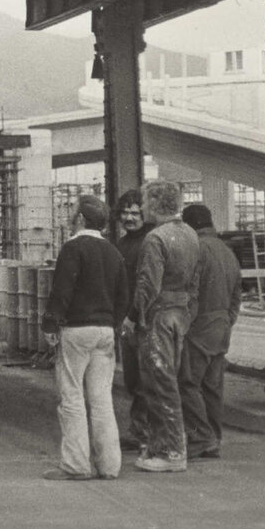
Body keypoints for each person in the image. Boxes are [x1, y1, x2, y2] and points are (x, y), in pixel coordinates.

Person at [39, 195, 129, 480]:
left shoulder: (73, 248)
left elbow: (62, 291)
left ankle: (77, 465)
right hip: (105, 332)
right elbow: (124, 297)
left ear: (80, 219)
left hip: (77, 331)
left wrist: (51, 325)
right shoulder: (114, 252)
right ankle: (110, 466)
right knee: (102, 399)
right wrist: (112, 324)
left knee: (72, 397)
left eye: (73, 213)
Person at [129, 180, 200, 472]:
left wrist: (135, 316)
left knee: (159, 384)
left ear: (156, 204)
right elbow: (195, 282)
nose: (142, 207)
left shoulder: (156, 239)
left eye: (145, 202)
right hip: (180, 314)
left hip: (157, 316)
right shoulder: (190, 235)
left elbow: (148, 284)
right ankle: (161, 448)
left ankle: (171, 452)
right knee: (167, 381)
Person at [179, 203, 241, 460]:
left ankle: (200, 436)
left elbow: (190, 294)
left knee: (187, 384)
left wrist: (185, 326)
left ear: (190, 226)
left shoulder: (196, 250)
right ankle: (214, 438)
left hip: (199, 328)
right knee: (212, 387)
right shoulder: (228, 253)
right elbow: (237, 298)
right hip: (221, 328)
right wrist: (226, 321)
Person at [112, 189, 152, 453]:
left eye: (134, 213)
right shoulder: (122, 244)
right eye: (125, 212)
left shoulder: (149, 243)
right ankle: (140, 432)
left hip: (142, 322)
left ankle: (146, 433)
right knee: (134, 380)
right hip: (127, 322)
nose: (129, 217)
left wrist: (132, 316)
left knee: (146, 380)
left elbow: (145, 285)